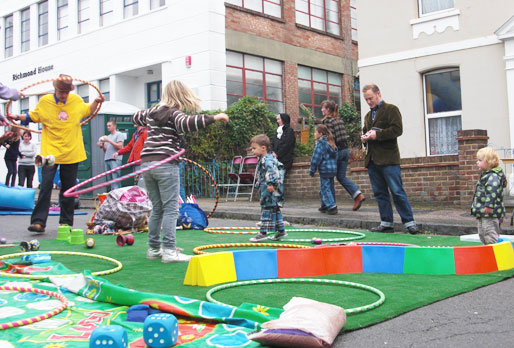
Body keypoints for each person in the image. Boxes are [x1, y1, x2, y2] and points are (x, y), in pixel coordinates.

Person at [133, 80, 229, 263]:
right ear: (180, 95)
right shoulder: (173, 113)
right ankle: (169, 251)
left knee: (157, 208)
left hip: (146, 164)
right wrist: (215, 117)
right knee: (171, 209)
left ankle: (154, 249)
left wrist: (148, 115)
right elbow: (188, 122)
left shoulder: (151, 113)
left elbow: (135, 117)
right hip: (165, 162)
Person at [8, 74, 104, 233]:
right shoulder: (45, 102)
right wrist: (16, 117)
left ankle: (65, 223)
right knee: (45, 185)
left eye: (67, 92)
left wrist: (96, 102)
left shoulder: (76, 101)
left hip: (72, 151)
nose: (64, 95)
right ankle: (38, 222)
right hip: (49, 152)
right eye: (61, 91)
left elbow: (87, 110)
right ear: (55, 89)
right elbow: (33, 116)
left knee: (68, 188)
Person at [361, 84, 418, 234]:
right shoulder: (367, 116)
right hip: (372, 160)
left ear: (378, 93)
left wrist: (376, 135)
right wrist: (365, 137)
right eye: (366, 99)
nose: (368, 102)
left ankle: (409, 222)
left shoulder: (391, 109)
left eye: (370, 98)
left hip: (389, 159)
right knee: (380, 193)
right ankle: (386, 223)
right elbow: (367, 131)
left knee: (397, 191)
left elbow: (397, 130)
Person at [320, 100, 365, 211]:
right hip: (345, 151)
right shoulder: (339, 120)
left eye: (323, 108)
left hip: (336, 152)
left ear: (328, 110)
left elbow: (328, 140)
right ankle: (357, 194)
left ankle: (330, 204)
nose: (321, 109)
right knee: (341, 177)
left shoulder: (327, 122)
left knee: (328, 177)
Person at [248, 134, 287, 242]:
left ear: (263, 148)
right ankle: (281, 231)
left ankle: (263, 232)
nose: (252, 151)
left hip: (269, 189)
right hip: (269, 187)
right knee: (274, 208)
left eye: (254, 148)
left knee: (266, 208)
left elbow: (273, 171)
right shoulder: (264, 158)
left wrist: (270, 184)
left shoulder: (267, 159)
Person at [471, 147, 506, 245]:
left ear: (489, 162)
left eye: (480, 160)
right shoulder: (486, 175)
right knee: (482, 233)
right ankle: (487, 250)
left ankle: (493, 252)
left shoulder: (493, 176)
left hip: (491, 213)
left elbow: (492, 192)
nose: (477, 162)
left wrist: (489, 206)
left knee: (489, 233)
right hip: (483, 212)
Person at [310, 124, 338, 215]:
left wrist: (312, 169)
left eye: (315, 132)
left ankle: (332, 206)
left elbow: (316, 158)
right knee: (327, 187)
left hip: (325, 169)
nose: (314, 134)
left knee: (325, 188)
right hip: (332, 169)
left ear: (320, 134)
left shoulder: (320, 144)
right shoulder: (330, 143)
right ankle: (325, 205)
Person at [97, 119, 124, 190]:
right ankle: (113, 196)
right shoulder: (107, 136)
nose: (108, 127)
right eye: (107, 126)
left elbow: (119, 146)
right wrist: (102, 145)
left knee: (115, 180)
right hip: (107, 159)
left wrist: (108, 140)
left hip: (115, 159)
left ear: (114, 126)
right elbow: (106, 150)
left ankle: (118, 197)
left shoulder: (119, 134)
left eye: (109, 126)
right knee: (110, 181)